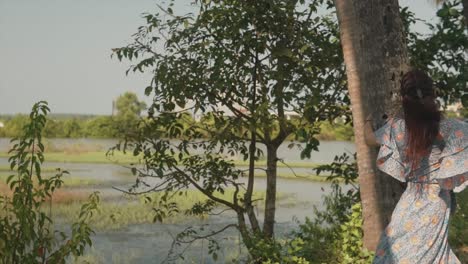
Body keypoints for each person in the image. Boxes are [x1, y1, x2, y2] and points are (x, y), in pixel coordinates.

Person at [364, 69, 467, 264]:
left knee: (393, 248)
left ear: (404, 98)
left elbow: (368, 139)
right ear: (433, 94)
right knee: (431, 254)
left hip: (412, 196)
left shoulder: (398, 127)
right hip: (438, 198)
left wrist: (367, 120)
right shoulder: (451, 127)